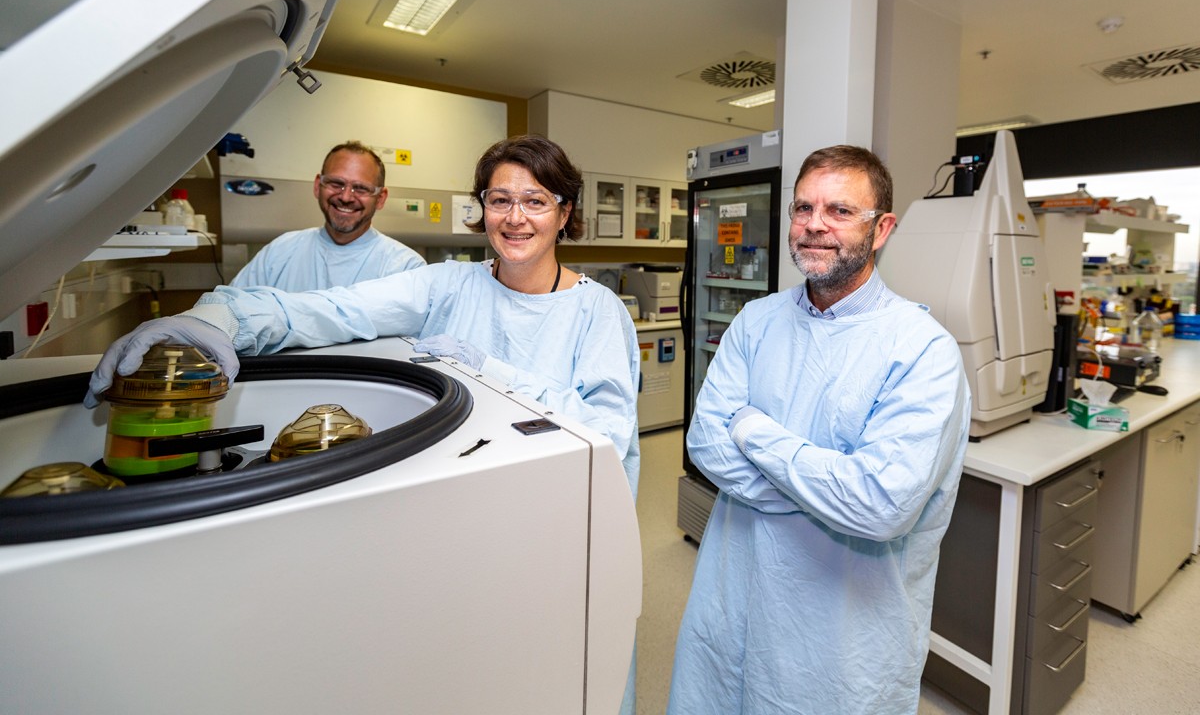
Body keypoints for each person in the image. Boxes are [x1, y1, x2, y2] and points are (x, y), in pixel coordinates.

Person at [86, 134, 642, 713]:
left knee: (564, 671)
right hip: (471, 520)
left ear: (564, 212)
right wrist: (216, 317)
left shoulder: (595, 310)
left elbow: (606, 432)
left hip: (562, 528)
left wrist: (490, 369)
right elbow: (331, 308)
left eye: (535, 201)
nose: (515, 217)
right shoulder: (446, 284)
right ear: (482, 208)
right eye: (499, 200)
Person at [667, 145, 971, 715]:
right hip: (734, 597)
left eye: (839, 211)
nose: (814, 226)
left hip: (840, 637)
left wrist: (754, 432)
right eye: (803, 209)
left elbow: (879, 505)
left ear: (881, 229)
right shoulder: (757, 320)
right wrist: (814, 495)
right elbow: (705, 441)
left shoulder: (921, 350)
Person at [228, 140, 425, 291]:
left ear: (380, 198)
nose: (346, 197)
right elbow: (229, 309)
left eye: (360, 188)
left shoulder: (405, 268)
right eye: (336, 183)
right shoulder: (280, 252)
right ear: (317, 186)